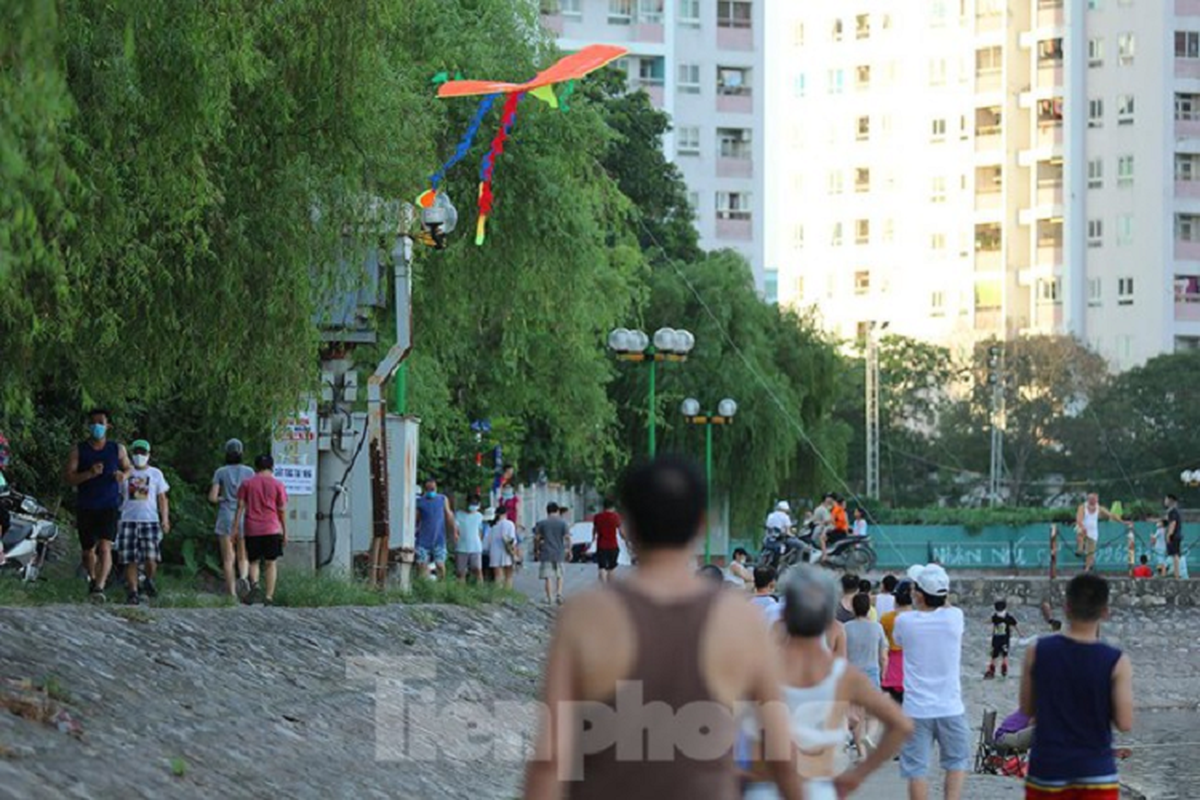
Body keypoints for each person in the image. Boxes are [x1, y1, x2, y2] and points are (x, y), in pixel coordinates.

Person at [523, 455, 806, 800]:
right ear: (702, 523)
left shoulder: (587, 616)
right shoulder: (740, 619)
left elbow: (551, 759)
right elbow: (781, 751)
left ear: (628, 526)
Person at [741, 565, 913, 800]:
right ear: (827, 612)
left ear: (785, 611)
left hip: (766, 789)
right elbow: (901, 726)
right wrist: (857, 775)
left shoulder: (763, 672)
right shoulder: (843, 676)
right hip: (818, 788)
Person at [1020, 574, 1133, 800]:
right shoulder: (1117, 661)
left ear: (1067, 608)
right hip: (1096, 773)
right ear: (1105, 612)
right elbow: (1125, 722)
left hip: (1048, 770)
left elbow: (1027, 709)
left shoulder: (1037, 651)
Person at [893, 564, 969, 800]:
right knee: (956, 763)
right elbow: (944, 605)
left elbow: (898, 641)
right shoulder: (955, 618)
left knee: (917, 770)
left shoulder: (905, 622)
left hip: (916, 708)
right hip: (950, 707)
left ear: (918, 594)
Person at [64, 408, 132, 601]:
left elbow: (128, 468)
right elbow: (68, 477)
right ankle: (93, 579)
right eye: (93, 423)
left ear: (107, 426)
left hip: (109, 505)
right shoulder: (79, 450)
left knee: (105, 546)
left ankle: (100, 587)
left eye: (101, 423)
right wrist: (89, 474)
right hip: (86, 505)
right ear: (89, 426)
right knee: (88, 552)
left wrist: (123, 476)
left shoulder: (117, 449)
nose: (97, 426)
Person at [113, 440, 169, 605]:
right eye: (137, 452)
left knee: (151, 558)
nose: (139, 455)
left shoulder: (156, 474)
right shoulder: (125, 474)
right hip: (128, 519)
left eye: (143, 452)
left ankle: (148, 579)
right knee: (131, 559)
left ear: (148, 454)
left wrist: (165, 518)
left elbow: (162, 498)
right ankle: (133, 591)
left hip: (150, 519)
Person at [232, 454, 288, 605]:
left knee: (254, 561)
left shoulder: (247, 484)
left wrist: (235, 528)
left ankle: (255, 584)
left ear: (256, 467)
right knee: (271, 563)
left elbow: (240, 507)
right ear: (272, 467)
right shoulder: (278, 485)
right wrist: (284, 531)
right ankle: (269, 597)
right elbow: (281, 510)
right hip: (271, 527)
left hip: (252, 528)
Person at [208, 438, 253, 599]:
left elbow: (212, 497)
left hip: (226, 516)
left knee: (228, 558)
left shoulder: (220, 472)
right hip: (244, 516)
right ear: (241, 453)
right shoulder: (249, 472)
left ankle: (232, 594)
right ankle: (243, 577)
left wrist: (224, 498)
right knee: (243, 554)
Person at [1075, 492, 1130, 573]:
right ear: (1089, 499)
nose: (1094, 501)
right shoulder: (1083, 507)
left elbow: (1111, 515)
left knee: (1091, 552)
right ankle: (1080, 549)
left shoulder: (1099, 508)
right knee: (1080, 533)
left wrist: (1122, 522)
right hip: (1083, 529)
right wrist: (1082, 527)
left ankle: (1087, 569)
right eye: (1092, 499)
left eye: (1095, 499)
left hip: (1093, 532)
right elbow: (1079, 519)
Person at [414, 478, 456, 582]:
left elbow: (449, 515)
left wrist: (454, 532)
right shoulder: (420, 501)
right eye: (428, 489)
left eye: (432, 488)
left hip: (439, 538)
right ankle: (423, 586)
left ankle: (441, 584)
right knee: (422, 565)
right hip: (423, 539)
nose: (431, 491)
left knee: (440, 564)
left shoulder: (442, 499)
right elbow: (416, 519)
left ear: (436, 488)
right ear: (425, 489)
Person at [880, 584, 913, 705]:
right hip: (911, 663)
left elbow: (882, 640)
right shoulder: (919, 619)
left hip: (891, 663)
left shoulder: (886, 618)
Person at [533, 502, 571, 605]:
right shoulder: (563, 523)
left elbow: (537, 538)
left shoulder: (542, 523)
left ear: (547, 511)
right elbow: (567, 538)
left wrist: (536, 550)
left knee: (548, 576)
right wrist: (569, 550)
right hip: (559, 552)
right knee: (559, 575)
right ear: (557, 511)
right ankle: (559, 593)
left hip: (546, 552)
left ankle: (550, 598)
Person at [984, 599, 1021, 679]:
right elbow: (1016, 625)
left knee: (994, 656)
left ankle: (991, 670)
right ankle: (1004, 669)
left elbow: (987, 621)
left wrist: (984, 622)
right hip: (1005, 639)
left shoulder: (995, 617)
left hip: (996, 639)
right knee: (1005, 655)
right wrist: (1020, 634)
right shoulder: (1008, 617)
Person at [591, 497, 623, 583]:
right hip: (613, 545)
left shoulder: (597, 517)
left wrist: (593, 537)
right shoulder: (616, 517)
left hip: (601, 545)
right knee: (611, 568)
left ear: (603, 506)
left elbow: (594, 529)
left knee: (602, 568)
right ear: (613, 506)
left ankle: (604, 588)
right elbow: (621, 532)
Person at [453, 494, 485, 582]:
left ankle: (480, 590)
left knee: (478, 570)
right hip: (462, 547)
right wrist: (456, 537)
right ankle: (461, 592)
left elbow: (480, 532)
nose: (473, 505)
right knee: (460, 572)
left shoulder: (479, 516)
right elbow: (456, 530)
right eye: (472, 503)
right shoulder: (459, 515)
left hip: (476, 548)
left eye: (476, 503)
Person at [486, 505, 517, 589]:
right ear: (506, 513)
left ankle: (498, 595)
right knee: (509, 576)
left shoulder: (493, 526)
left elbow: (488, 542)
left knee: (497, 576)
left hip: (494, 553)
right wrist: (514, 554)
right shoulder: (510, 524)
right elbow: (512, 541)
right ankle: (507, 593)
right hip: (507, 552)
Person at [821, 495, 850, 561]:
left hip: (840, 531)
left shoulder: (837, 510)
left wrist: (824, 522)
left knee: (822, 538)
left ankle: (824, 555)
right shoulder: (841, 511)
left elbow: (832, 520)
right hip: (841, 531)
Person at [1164, 494, 1184, 579]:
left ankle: (1176, 574)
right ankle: (1175, 573)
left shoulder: (1173, 511)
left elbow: (1173, 523)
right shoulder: (1173, 511)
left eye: (1166, 499)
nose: (1164, 501)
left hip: (1174, 536)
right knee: (1174, 555)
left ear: (1169, 500)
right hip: (1176, 536)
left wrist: (1169, 534)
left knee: (1175, 555)